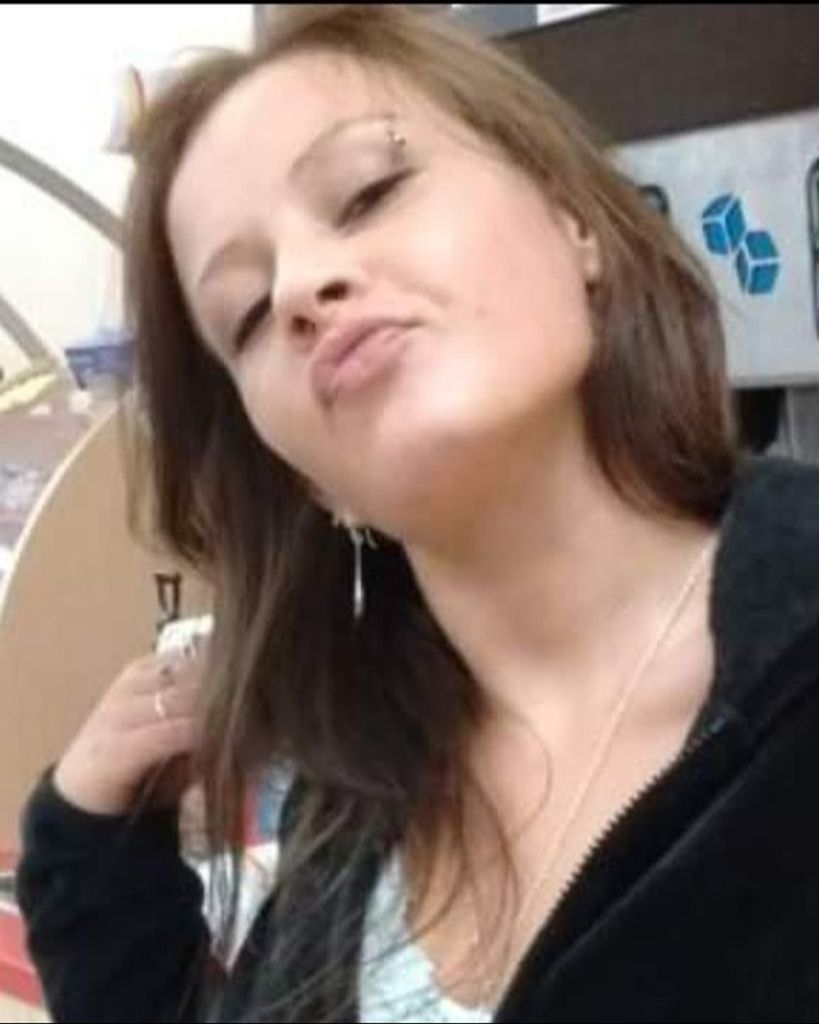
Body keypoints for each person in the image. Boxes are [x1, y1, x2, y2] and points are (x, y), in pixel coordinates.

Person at [14, 5, 819, 1022]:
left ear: (572, 220)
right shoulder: (348, 814)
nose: (303, 287)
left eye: (368, 192)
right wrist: (91, 854)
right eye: (248, 315)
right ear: (305, 475)